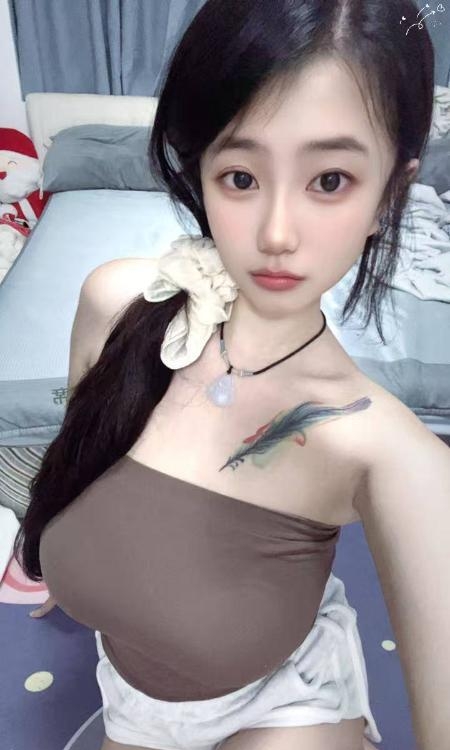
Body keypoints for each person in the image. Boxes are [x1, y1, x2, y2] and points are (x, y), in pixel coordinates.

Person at [15, 1, 450, 749]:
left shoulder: (390, 453)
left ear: (389, 193)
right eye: (241, 176)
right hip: (132, 697)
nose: (276, 234)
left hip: (287, 703)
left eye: (330, 180)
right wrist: (68, 554)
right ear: (201, 173)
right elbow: (78, 458)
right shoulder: (119, 305)